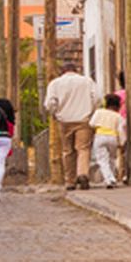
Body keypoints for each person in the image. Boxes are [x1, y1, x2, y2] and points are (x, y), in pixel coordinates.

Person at [44, 62, 101, 190]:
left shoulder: (55, 83)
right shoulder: (87, 81)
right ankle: (83, 174)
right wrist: (91, 111)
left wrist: (55, 114)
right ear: (76, 70)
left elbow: (50, 103)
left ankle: (70, 180)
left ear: (62, 71)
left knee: (68, 151)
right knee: (83, 148)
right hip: (84, 119)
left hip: (64, 120)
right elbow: (97, 98)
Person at [89, 94, 125, 189]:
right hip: (113, 137)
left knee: (102, 160)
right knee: (112, 159)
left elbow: (91, 124)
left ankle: (109, 179)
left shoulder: (99, 112)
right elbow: (120, 130)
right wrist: (121, 143)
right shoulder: (118, 116)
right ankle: (112, 178)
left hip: (100, 136)